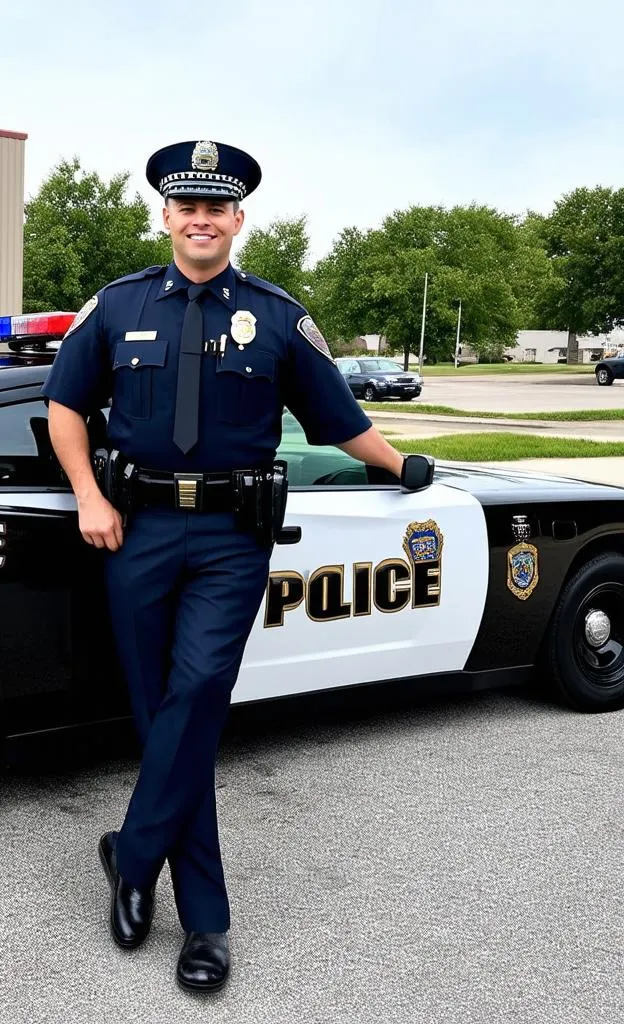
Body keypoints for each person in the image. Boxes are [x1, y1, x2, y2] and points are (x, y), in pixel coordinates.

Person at [42, 140, 410, 993]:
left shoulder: (277, 316)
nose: (201, 221)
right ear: (167, 217)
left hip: (229, 541)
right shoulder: (116, 305)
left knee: (200, 691)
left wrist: (399, 464)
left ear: (238, 220)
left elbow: (335, 419)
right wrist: (90, 500)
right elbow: (64, 405)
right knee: (167, 718)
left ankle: (143, 867)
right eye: (187, 208)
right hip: (133, 532)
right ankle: (189, 905)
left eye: (217, 209)